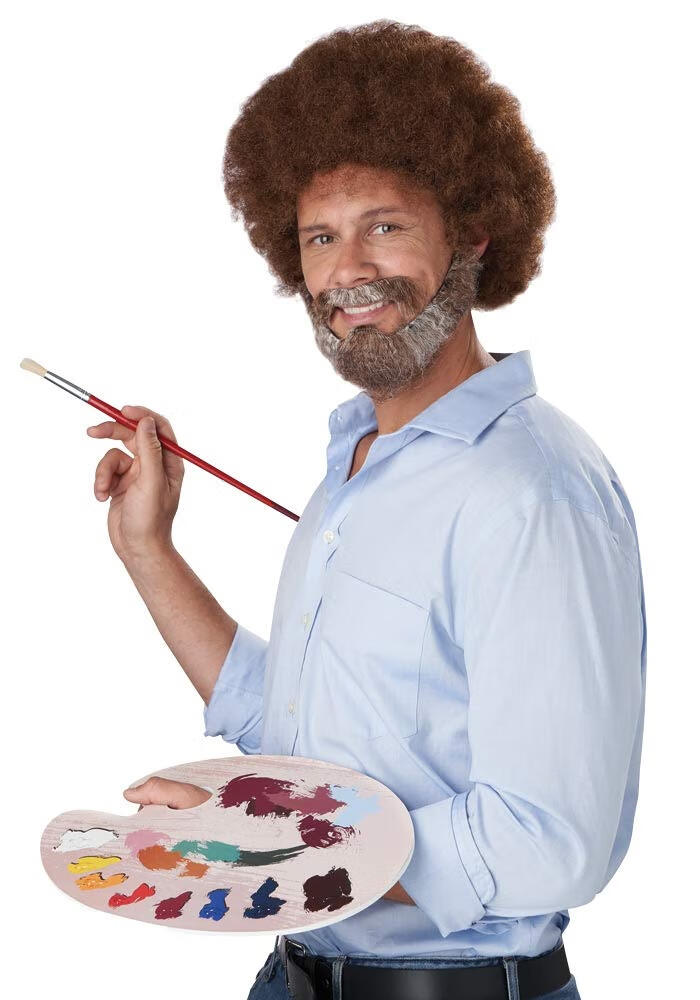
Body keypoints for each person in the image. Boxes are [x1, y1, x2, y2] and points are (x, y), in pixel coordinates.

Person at [87, 20, 646, 1000]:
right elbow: (296, 728)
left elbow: (549, 840)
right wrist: (149, 550)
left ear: (472, 232)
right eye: (320, 237)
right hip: (295, 975)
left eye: (383, 225)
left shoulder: (529, 491)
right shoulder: (356, 464)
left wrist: (255, 853)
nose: (347, 270)